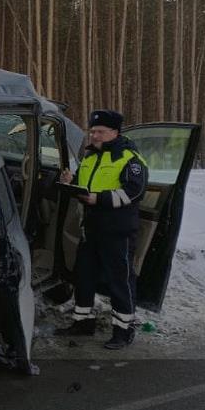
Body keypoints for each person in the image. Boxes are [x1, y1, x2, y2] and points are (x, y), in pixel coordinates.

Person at [55, 109, 149, 350]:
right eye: (93, 131)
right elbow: (85, 185)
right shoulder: (90, 157)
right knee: (83, 277)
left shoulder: (130, 158)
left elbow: (134, 191)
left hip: (117, 232)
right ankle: (83, 323)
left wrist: (100, 200)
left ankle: (123, 330)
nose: (94, 135)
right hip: (91, 230)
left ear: (115, 132)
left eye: (100, 132)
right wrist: (70, 182)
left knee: (120, 282)